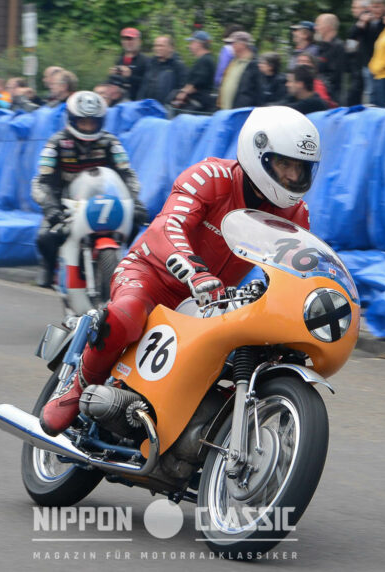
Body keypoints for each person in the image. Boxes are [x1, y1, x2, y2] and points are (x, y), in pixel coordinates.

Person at [39, 105, 321, 435]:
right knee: (126, 314)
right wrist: (194, 272)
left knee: (255, 354)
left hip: (214, 301)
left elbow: (299, 268)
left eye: (299, 168)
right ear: (257, 153)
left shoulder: (296, 215)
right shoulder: (210, 177)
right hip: (151, 276)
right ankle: (76, 388)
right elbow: (167, 226)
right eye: (284, 163)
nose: (291, 176)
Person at [30, 91, 147, 289]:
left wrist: (135, 201)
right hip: (64, 201)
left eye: (93, 122)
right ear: (72, 119)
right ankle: (49, 268)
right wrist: (50, 206)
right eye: (83, 122)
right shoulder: (56, 143)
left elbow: (127, 173)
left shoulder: (111, 142)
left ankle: (118, 258)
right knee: (46, 238)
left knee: (135, 219)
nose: (88, 126)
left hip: (102, 199)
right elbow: (43, 180)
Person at [345, 0, 380, 106]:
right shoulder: (360, 23)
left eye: (355, 7)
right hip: (357, 66)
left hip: (368, 66)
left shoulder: (372, 22)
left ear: (365, 8)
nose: (353, 10)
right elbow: (351, 40)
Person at [171, 30, 216, 112]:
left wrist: (183, 93)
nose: (189, 46)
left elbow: (197, 83)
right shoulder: (204, 60)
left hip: (198, 103)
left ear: (198, 44)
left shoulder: (205, 61)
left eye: (191, 42)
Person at [218, 31, 263, 110]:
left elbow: (256, 92)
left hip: (241, 112)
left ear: (242, 45)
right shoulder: (233, 62)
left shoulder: (254, 65)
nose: (231, 46)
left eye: (233, 43)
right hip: (226, 111)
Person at [138, 35, 187, 105]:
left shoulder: (178, 67)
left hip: (167, 109)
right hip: (147, 107)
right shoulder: (150, 64)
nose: (157, 48)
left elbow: (182, 89)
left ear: (171, 48)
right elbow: (143, 86)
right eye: (156, 46)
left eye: (161, 46)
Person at [314, 13, 346, 106]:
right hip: (319, 93)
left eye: (318, 25)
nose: (316, 28)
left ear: (328, 27)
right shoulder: (321, 47)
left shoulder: (338, 47)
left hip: (331, 97)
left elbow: (335, 75)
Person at [112, 28, 149, 101]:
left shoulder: (145, 60)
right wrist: (113, 75)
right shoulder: (119, 59)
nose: (128, 42)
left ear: (139, 41)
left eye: (131, 39)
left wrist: (130, 76)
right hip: (119, 101)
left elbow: (148, 83)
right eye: (125, 39)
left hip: (136, 101)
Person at [213, 23, 245, 88]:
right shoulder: (243, 50)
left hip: (224, 83)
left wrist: (217, 82)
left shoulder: (227, 49)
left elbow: (222, 67)